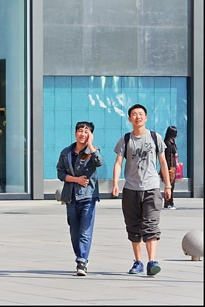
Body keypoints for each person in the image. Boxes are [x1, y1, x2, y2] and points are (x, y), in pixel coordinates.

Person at [112, 104, 171, 276]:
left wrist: (167, 185)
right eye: (134, 114)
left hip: (152, 187)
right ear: (129, 119)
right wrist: (115, 184)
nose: (137, 117)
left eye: (141, 114)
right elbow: (118, 162)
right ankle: (138, 261)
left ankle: (152, 261)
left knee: (151, 224)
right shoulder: (125, 139)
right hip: (131, 189)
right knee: (133, 226)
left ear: (146, 118)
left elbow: (163, 162)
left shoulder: (155, 137)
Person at [56, 121, 103, 276]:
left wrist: (91, 145)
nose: (83, 134)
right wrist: (76, 180)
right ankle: (80, 256)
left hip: (88, 197)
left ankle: (82, 261)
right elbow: (60, 173)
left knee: (85, 231)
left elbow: (99, 162)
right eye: (80, 131)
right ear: (75, 133)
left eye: (86, 131)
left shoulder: (93, 151)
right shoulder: (66, 153)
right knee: (74, 231)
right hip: (70, 197)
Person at [162, 126, 178, 210]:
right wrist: (167, 169)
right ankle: (167, 203)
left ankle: (171, 202)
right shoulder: (167, 143)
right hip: (170, 167)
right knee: (169, 186)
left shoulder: (172, 142)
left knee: (172, 186)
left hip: (173, 166)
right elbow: (166, 157)